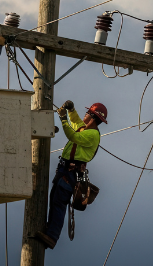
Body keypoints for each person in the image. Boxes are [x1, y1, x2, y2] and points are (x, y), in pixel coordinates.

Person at [35, 100, 107, 250]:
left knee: (59, 202)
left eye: (87, 113)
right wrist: (71, 110)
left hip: (70, 173)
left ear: (93, 118)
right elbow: (76, 123)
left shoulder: (92, 135)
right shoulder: (86, 129)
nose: (84, 115)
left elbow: (73, 136)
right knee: (55, 198)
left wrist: (62, 119)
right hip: (65, 171)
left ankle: (52, 236)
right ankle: (49, 231)